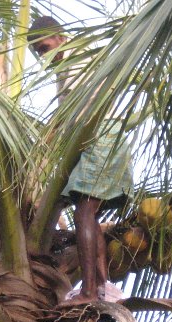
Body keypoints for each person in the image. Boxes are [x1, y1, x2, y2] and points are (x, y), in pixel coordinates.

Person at [28, 16, 133, 305]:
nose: (42, 54)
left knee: (83, 213)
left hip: (103, 139)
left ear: (59, 36)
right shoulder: (65, 68)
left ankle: (88, 291)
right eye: (37, 51)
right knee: (90, 214)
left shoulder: (79, 58)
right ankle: (101, 288)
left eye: (43, 45)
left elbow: (78, 115)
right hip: (99, 141)